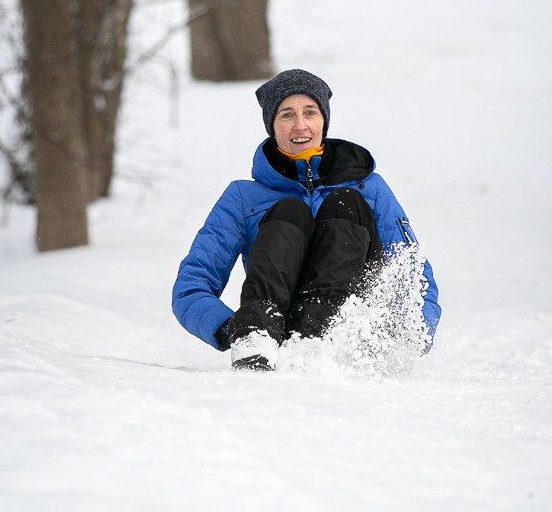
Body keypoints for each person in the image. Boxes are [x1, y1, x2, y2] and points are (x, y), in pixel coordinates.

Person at [172, 69, 442, 369]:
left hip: (351, 334)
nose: (300, 125)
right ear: (272, 126)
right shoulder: (242, 197)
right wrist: (233, 328)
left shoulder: (370, 188)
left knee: (345, 203)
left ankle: (328, 333)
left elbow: (413, 273)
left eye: (310, 113)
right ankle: (261, 334)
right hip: (281, 337)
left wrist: (411, 333)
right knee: (290, 210)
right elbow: (191, 286)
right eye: (287, 115)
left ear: (323, 120)